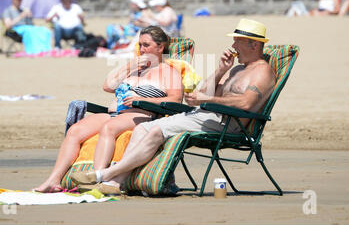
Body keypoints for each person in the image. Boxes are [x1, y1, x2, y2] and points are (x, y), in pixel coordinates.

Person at [71, 18, 276, 195]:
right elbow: (204, 92)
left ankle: (105, 174)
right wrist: (221, 71)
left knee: (157, 130)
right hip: (207, 116)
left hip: (229, 124)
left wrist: (211, 102)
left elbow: (246, 103)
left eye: (237, 42)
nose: (233, 46)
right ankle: (115, 183)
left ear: (254, 45)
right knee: (143, 128)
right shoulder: (236, 69)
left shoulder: (262, 72)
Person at [34, 26, 183, 193]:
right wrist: (128, 67)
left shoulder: (169, 72)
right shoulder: (135, 67)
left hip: (142, 114)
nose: (142, 49)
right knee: (75, 131)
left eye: (146, 45)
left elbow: (175, 100)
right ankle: (54, 180)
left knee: (108, 128)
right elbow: (108, 87)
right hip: (115, 113)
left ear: (160, 47)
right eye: (140, 45)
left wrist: (143, 99)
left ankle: (96, 178)